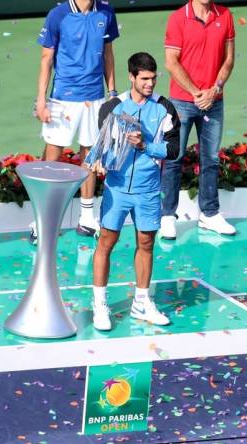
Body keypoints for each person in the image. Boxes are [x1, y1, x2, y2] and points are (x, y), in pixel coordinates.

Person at [91, 52, 180, 331]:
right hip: (117, 189)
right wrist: (98, 163)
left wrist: (145, 146)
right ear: (131, 77)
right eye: (144, 79)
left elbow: (174, 150)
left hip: (147, 189)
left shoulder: (165, 109)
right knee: (106, 241)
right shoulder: (112, 107)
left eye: (153, 78)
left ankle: (141, 303)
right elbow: (102, 146)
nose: (150, 84)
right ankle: (100, 305)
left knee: (146, 243)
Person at [32, 0, 119, 243]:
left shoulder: (106, 12)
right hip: (63, 98)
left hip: (95, 97)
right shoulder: (58, 15)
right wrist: (41, 100)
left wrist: (112, 93)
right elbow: (46, 58)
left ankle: (87, 217)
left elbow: (108, 53)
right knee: (53, 155)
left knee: (90, 155)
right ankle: (42, 218)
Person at [160, 0, 237, 239]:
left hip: (214, 102)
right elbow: (171, 62)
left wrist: (215, 89)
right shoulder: (177, 18)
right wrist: (196, 92)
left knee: (211, 159)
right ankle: (166, 216)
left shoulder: (225, 15)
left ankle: (209, 214)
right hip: (182, 102)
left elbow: (229, 59)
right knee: (174, 158)